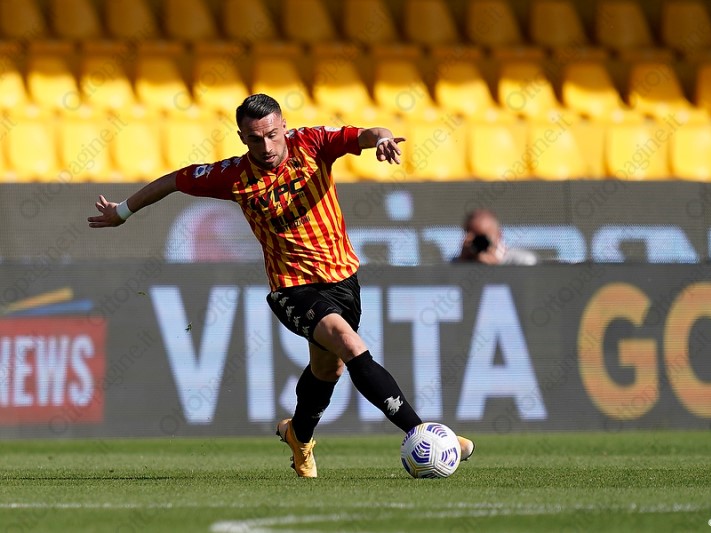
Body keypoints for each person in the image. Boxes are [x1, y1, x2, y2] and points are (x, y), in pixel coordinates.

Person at [88, 94, 474, 478]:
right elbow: (173, 180)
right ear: (242, 138)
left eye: (272, 135)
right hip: (292, 288)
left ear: (284, 127)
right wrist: (122, 211)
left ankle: (298, 435)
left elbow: (367, 134)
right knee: (350, 343)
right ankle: (422, 433)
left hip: (343, 280)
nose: (267, 146)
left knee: (329, 369)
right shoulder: (232, 176)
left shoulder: (313, 144)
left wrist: (384, 138)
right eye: (255, 139)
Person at [452, 208, 538, 265]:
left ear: (499, 235)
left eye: (483, 237)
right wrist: (462, 264)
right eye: (473, 237)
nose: (478, 242)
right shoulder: (455, 264)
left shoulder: (521, 261)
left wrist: (496, 266)